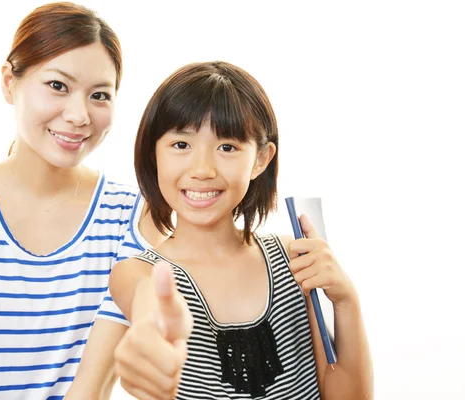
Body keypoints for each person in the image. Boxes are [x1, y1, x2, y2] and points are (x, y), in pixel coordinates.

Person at [0, 3, 162, 399]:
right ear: (9, 82)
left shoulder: (136, 216)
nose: (79, 115)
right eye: (58, 85)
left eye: (99, 95)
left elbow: (88, 391)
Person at [109, 61, 374, 399]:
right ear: (153, 153)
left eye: (227, 147)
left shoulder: (295, 258)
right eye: (181, 145)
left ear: (261, 159)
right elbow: (149, 300)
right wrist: (151, 332)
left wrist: (345, 300)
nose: (202, 169)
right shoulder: (139, 271)